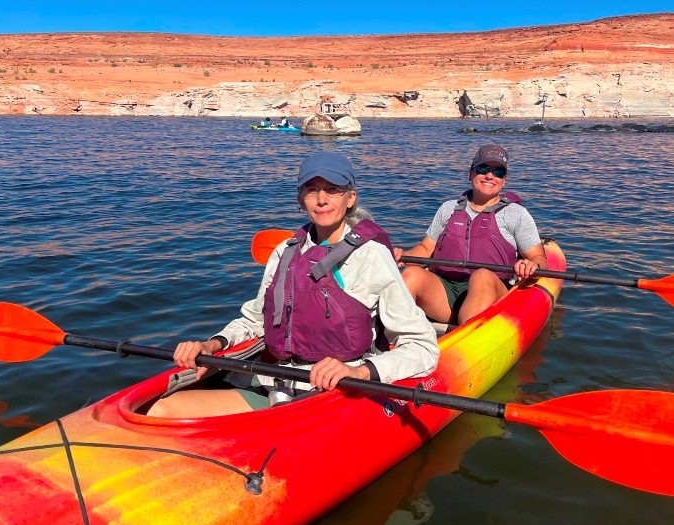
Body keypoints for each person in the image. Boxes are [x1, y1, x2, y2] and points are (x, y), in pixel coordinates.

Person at [147, 152, 439, 418]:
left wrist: (359, 371)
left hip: (340, 389)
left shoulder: (372, 256)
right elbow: (256, 320)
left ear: (350, 198)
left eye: (333, 190)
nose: (322, 199)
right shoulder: (284, 252)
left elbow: (422, 347)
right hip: (277, 380)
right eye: (312, 190)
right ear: (301, 200)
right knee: (161, 409)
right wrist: (213, 343)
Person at [394, 144, 547, 326]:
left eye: (498, 172)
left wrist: (531, 265)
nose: (490, 176)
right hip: (445, 291)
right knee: (411, 274)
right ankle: (389, 340)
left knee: (481, 276)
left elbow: (539, 258)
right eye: (483, 169)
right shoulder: (448, 208)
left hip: (492, 296)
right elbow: (426, 248)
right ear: (470, 173)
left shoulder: (516, 214)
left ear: (504, 180)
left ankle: (466, 341)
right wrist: (401, 256)